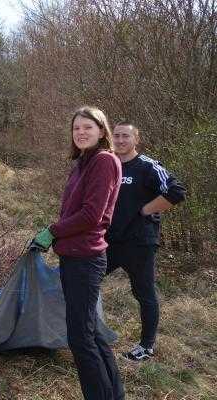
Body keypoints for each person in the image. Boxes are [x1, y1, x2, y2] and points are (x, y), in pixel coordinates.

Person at [33, 106, 125, 400]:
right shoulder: (84, 163)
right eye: (76, 128)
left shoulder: (103, 161)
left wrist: (53, 230)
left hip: (86, 260)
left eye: (88, 127)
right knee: (92, 332)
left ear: (101, 131)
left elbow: (91, 215)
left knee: (80, 338)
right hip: (75, 257)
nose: (81, 132)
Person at [106, 121, 186, 361]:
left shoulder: (148, 166)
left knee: (144, 293)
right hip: (109, 241)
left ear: (136, 139)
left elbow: (176, 191)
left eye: (125, 136)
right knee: (83, 281)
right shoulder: (108, 164)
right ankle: (82, 332)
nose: (120, 140)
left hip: (139, 243)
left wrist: (145, 210)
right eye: (116, 136)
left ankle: (146, 346)